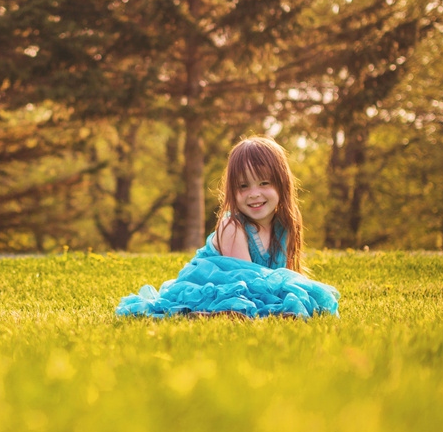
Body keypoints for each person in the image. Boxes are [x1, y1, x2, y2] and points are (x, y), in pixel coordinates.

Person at [116, 136, 339, 319]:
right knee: (238, 306)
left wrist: (298, 295)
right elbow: (243, 284)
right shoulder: (233, 226)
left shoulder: (285, 225)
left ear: (282, 184)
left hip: (252, 289)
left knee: (302, 297)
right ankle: (205, 314)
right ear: (232, 189)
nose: (254, 193)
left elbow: (289, 273)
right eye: (243, 186)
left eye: (264, 183)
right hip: (218, 286)